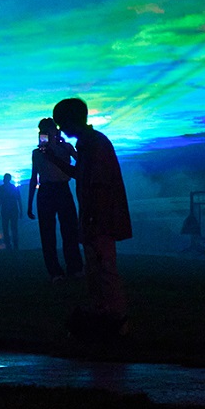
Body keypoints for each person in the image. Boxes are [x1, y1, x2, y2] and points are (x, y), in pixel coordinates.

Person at [53, 98, 131, 337]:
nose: (59, 129)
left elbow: (97, 184)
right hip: (96, 217)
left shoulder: (94, 144)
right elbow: (82, 175)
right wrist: (55, 159)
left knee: (103, 268)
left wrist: (91, 219)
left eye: (61, 123)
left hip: (99, 218)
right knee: (97, 270)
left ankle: (115, 319)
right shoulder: (91, 143)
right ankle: (106, 317)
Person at [29, 118, 84, 279]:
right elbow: (34, 178)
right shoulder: (37, 153)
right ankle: (55, 271)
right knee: (48, 233)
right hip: (47, 190)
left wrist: (64, 146)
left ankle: (74, 267)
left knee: (70, 230)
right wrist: (30, 203)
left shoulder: (65, 147)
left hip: (61, 189)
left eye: (47, 130)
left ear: (55, 131)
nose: (44, 133)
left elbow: (80, 161)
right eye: (42, 130)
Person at [0, 172, 22, 253]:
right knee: (13, 228)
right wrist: (21, 211)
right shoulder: (14, 188)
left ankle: (9, 246)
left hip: (5, 210)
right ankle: (15, 245)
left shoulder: (1, 188)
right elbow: (19, 200)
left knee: (6, 228)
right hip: (13, 210)